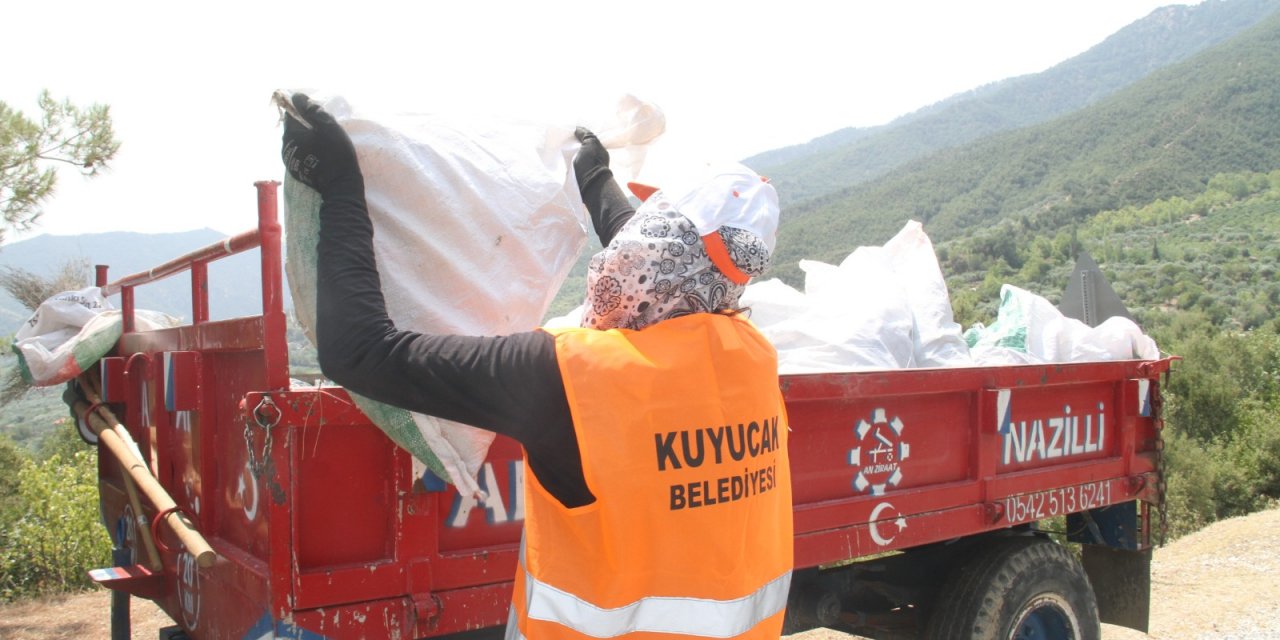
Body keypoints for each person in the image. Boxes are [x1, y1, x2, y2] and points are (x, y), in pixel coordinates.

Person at [281, 93, 793, 640]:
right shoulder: (750, 356)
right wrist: (594, 177)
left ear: (656, 243)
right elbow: (672, 268)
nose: (631, 243)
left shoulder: (569, 377)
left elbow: (359, 351)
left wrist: (340, 185)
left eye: (652, 225)